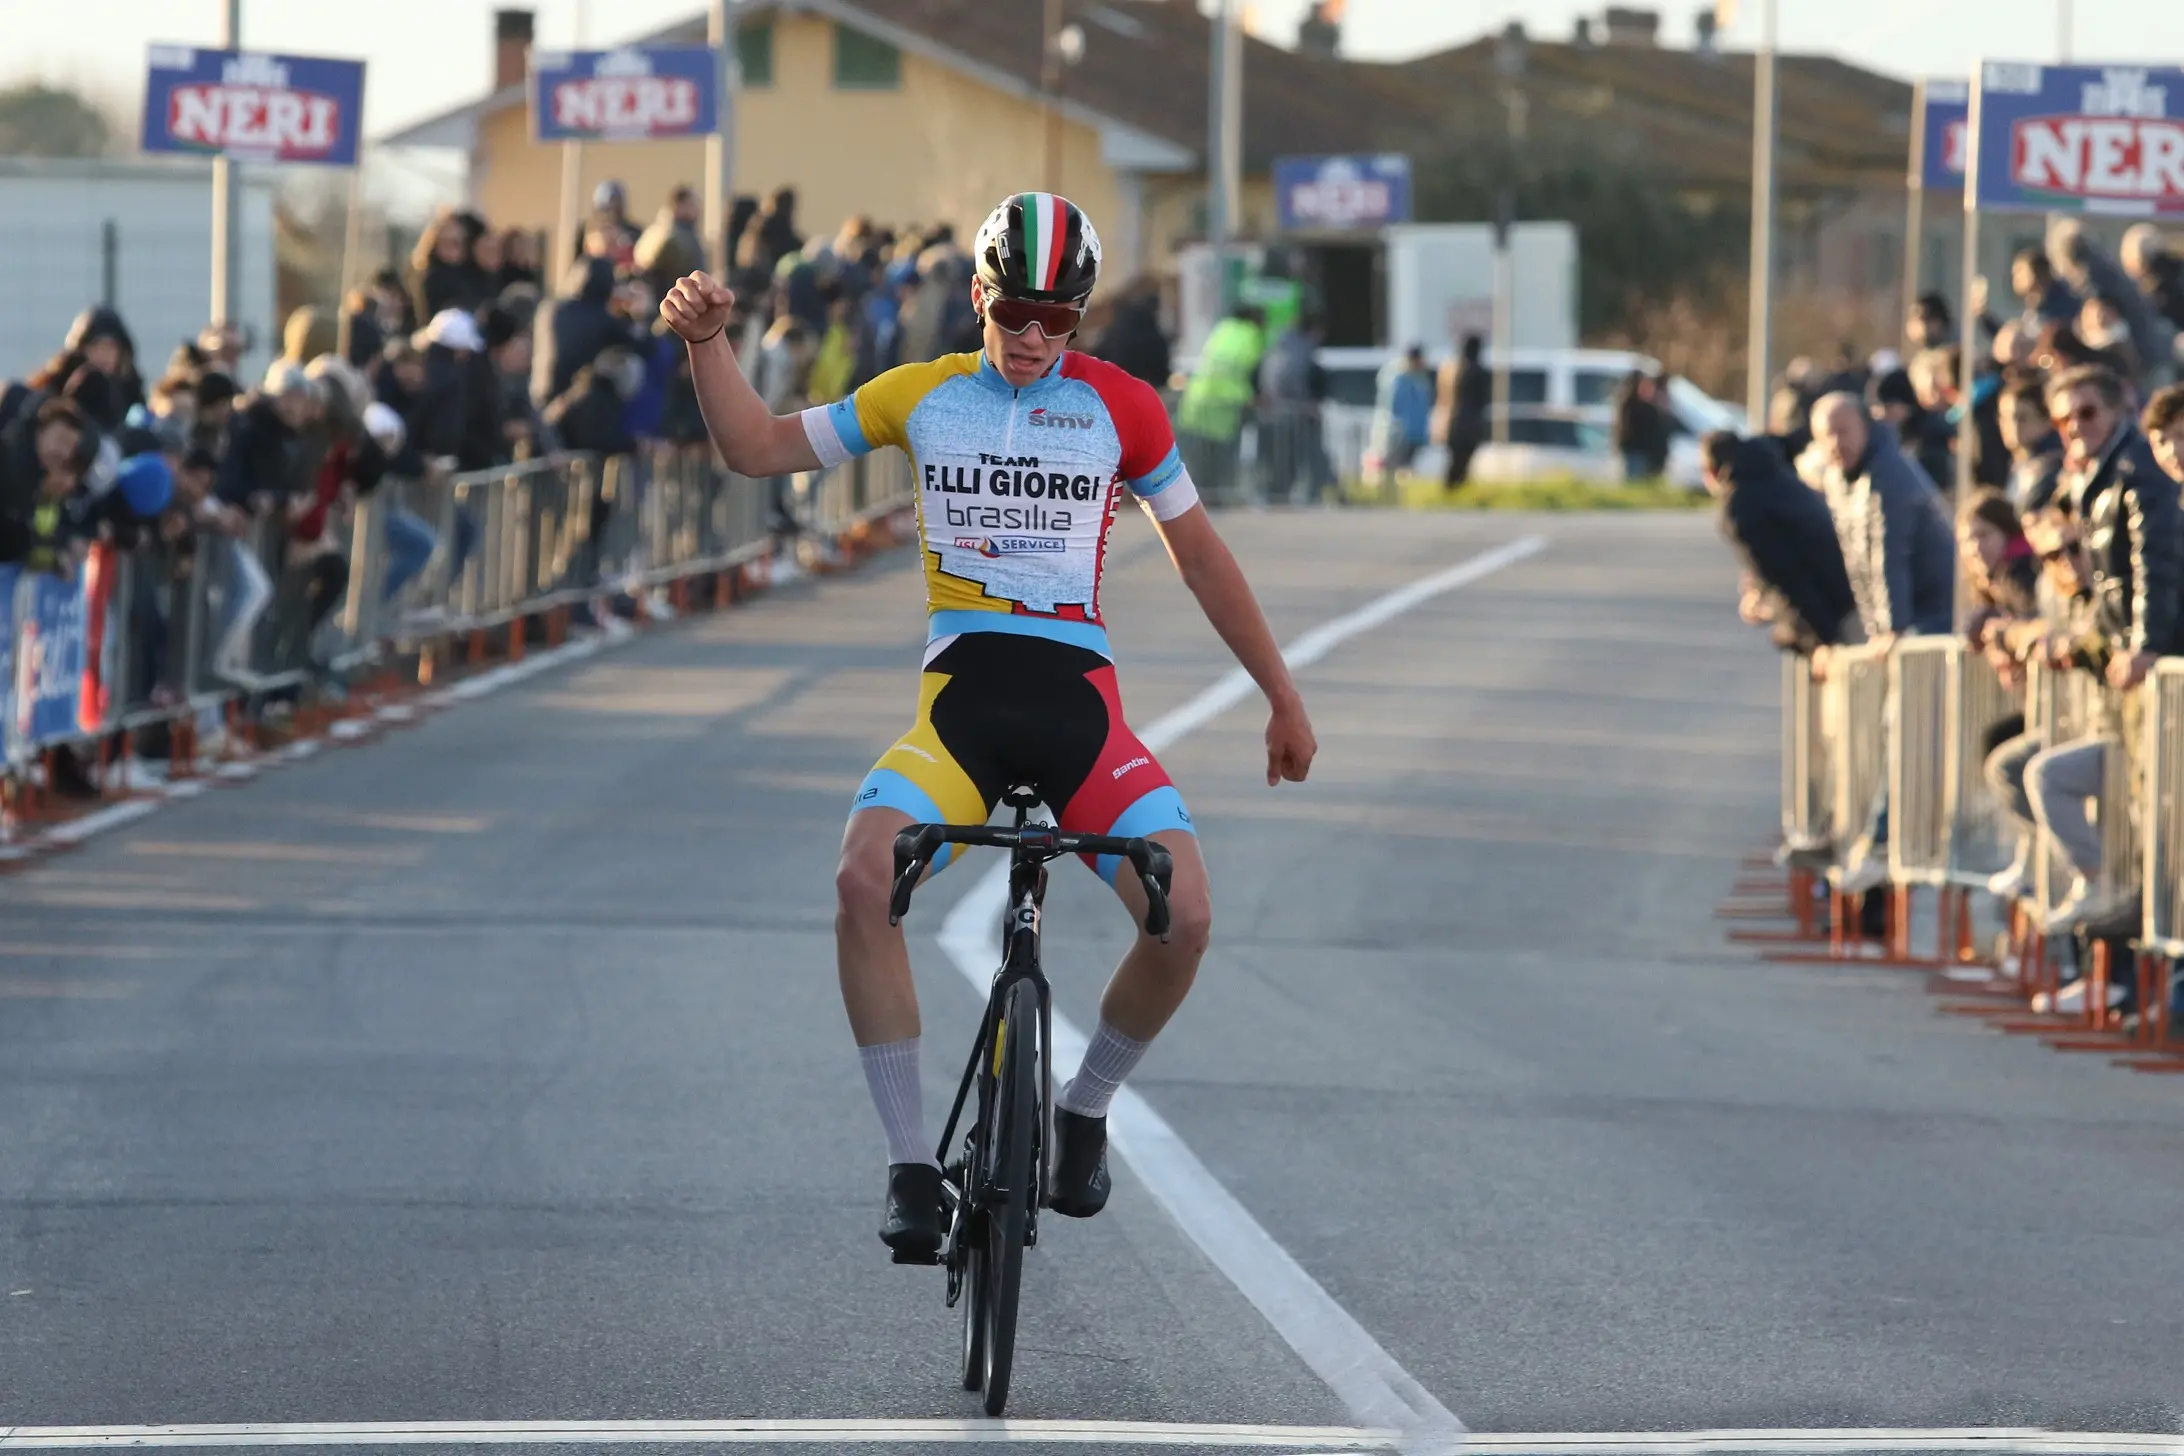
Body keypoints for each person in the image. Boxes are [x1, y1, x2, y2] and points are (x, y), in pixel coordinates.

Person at [659, 191, 1317, 1257]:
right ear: (977, 298)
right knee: (860, 879)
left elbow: (1201, 557)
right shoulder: (920, 395)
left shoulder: (1124, 408)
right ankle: (913, 1163)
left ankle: (1085, 1107)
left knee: (1185, 914)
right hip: (959, 711)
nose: (1034, 338)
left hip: (1081, 714)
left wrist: (1283, 697)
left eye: (1060, 319)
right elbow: (754, 447)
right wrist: (708, 343)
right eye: (1015, 312)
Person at [2017, 366, 2183, 933]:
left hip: (2149, 674)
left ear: (2118, 409)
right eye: (2063, 418)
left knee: (2152, 815)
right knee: (2118, 805)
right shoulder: (2097, 478)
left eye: (2087, 412)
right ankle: (2125, 930)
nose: (2074, 427)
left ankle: (2144, 940)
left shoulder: (2138, 471)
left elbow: (2154, 568)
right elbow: (2105, 590)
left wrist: (2145, 646)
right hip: (2121, 672)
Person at [1806, 392, 1956, 642]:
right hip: (1902, 620)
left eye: (1843, 432)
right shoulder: (1837, 477)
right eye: (1826, 436)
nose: (1835, 444)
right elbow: (1856, 562)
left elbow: (1890, 552)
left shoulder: (1889, 473)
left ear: (1865, 426)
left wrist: (1891, 628)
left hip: (1933, 616)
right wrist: (1874, 629)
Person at [1701, 430, 1858, 653]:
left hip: (1839, 614)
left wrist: (1823, 640)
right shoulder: (1776, 473)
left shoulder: (1739, 505)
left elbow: (1785, 579)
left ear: (1711, 472)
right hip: (1851, 596)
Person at [1174, 302, 1265, 506]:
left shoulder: (1222, 329)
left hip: (1197, 402)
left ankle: (1197, 501)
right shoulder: (1252, 336)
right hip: (1227, 406)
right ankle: (1219, 498)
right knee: (1223, 461)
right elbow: (1254, 372)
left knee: (1199, 459)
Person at [1084, 275, 1171, 390]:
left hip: (1114, 392)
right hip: (1146, 394)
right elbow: (1162, 375)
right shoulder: (1155, 336)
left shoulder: (1113, 335)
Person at [1997, 368, 2065, 512]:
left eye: (2021, 418)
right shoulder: (2019, 461)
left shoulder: (2053, 468)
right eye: (2004, 418)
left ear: (2047, 421)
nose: (2012, 427)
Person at [1433, 333, 1490, 489]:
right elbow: (1483, 400)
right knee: (1462, 464)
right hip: (1471, 425)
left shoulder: (1451, 370)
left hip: (1451, 422)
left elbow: (1442, 398)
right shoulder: (1479, 371)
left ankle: (1450, 492)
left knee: (1454, 462)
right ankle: (1455, 491)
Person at [635, 185, 707, 302]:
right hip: (673, 301)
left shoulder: (685, 233)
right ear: (680, 205)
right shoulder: (671, 235)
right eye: (692, 204)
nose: (698, 209)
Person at [1377, 345, 1434, 473]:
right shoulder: (1401, 379)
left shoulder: (1422, 380)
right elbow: (1395, 407)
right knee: (1398, 467)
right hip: (1403, 433)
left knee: (1409, 468)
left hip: (1418, 434)